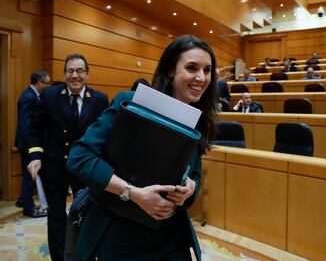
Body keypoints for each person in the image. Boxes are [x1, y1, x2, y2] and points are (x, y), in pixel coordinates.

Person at [66, 35, 217, 261]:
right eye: (192, 67)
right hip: (119, 236)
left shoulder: (197, 120)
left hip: (171, 240)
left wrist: (190, 188)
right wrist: (133, 193)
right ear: (170, 70)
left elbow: (194, 174)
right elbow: (79, 157)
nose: (201, 77)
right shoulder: (130, 102)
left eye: (207, 70)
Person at [26, 53, 109, 261]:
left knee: (84, 215)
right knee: (56, 217)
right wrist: (35, 155)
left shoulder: (99, 99)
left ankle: (83, 254)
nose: (75, 75)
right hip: (55, 166)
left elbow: (105, 135)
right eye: (70, 71)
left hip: (83, 169)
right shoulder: (50, 96)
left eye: (80, 71)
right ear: (64, 74)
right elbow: (35, 129)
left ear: (87, 74)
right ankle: (58, 257)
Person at [14, 71, 50, 218]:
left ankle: (23, 200)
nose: (48, 86)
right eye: (47, 83)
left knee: (30, 175)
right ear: (39, 83)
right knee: (30, 176)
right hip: (28, 144)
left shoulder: (33, 95)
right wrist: (31, 147)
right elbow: (25, 125)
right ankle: (28, 208)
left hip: (28, 143)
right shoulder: (28, 97)